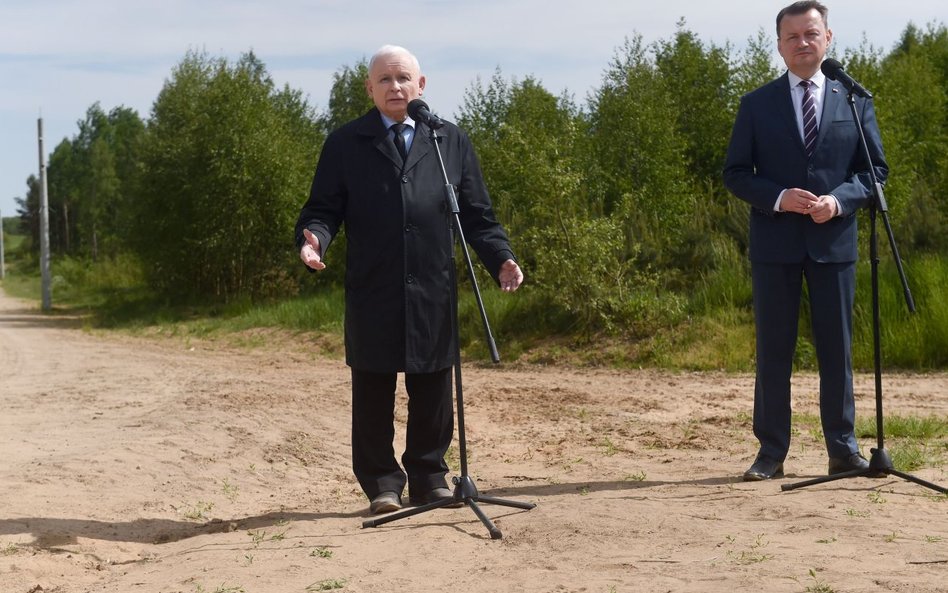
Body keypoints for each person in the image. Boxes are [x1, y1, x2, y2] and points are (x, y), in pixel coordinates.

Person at [295, 45, 523, 513]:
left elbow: (478, 215)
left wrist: (500, 257)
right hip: (373, 286)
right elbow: (323, 210)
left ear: (421, 86)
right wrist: (313, 239)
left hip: (432, 287)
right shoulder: (345, 143)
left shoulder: (448, 141)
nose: (395, 87)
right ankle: (381, 484)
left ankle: (429, 477)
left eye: (403, 78)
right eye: (384, 79)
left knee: (434, 386)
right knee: (374, 387)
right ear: (369, 89)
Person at [723, 1, 888, 481]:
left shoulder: (855, 102)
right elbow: (735, 174)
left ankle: (843, 449)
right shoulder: (756, 104)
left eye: (811, 34)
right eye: (792, 36)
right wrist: (777, 196)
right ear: (778, 45)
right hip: (774, 246)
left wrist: (838, 202)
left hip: (834, 243)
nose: (802, 43)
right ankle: (771, 453)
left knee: (837, 350)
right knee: (774, 352)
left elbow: (875, 171)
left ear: (828, 38)